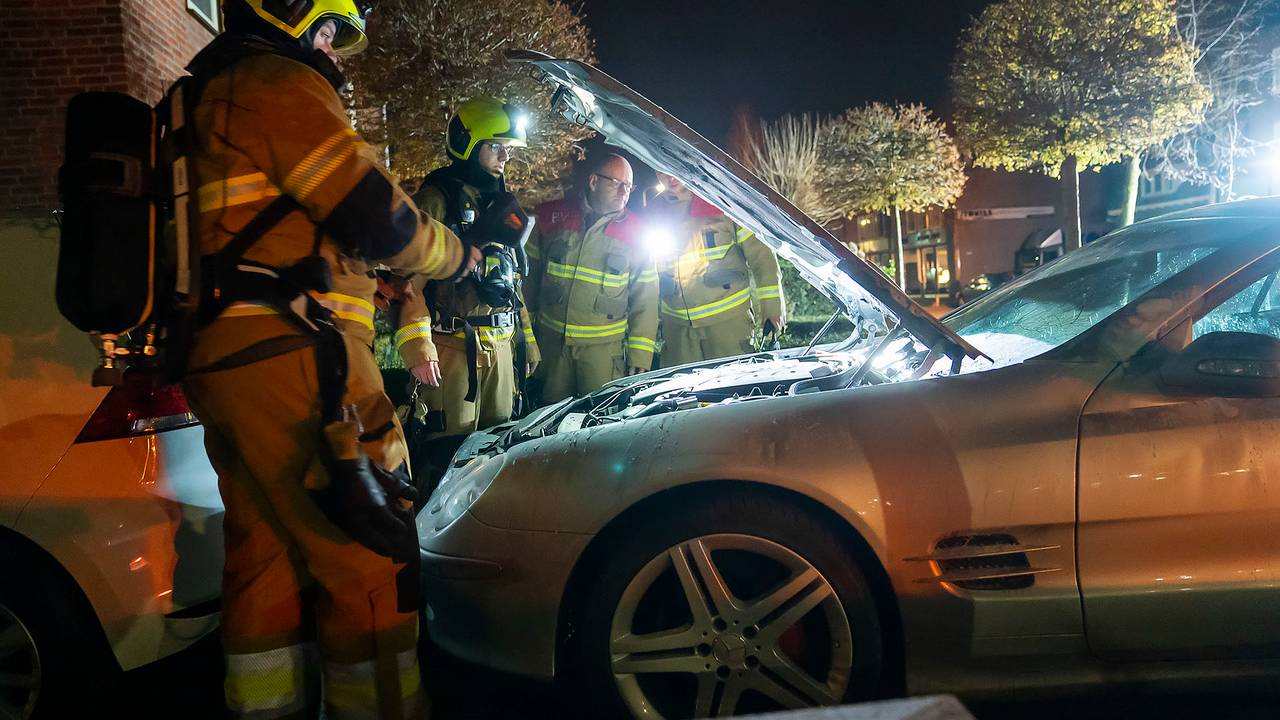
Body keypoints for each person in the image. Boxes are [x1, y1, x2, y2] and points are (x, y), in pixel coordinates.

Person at [178, 2, 479, 717]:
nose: (334, 54)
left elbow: (267, 236)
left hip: (230, 356)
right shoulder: (276, 82)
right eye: (325, 32)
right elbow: (378, 215)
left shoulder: (208, 95)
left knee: (267, 558)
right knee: (369, 555)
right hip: (298, 358)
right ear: (285, 12)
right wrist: (459, 254)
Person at [393, 96, 539, 463]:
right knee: (447, 453)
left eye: (507, 149)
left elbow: (512, 280)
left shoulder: (503, 202)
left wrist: (528, 340)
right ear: (469, 145)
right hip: (451, 353)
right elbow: (408, 283)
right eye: (496, 148)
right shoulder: (436, 200)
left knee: (496, 454)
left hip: (502, 348)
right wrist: (417, 349)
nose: (505, 158)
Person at [525, 153, 659, 403]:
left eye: (628, 186)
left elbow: (647, 299)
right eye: (616, 183)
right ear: (593, 181)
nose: (624, 192)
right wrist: (526, 336)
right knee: (546, 421)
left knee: (599, 422)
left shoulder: (638, 232)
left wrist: (641, 356)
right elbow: (528, 279)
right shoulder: (552, 217)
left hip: (603, 353)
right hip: (551, 348)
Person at [647, 171, 784, 367]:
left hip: (728, 327)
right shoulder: (654, 210)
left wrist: (772, 308)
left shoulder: (722, 201)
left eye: (672, 170)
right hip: (678, 332)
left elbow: (762, 258)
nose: (670, 178)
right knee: (682, 393)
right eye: (661, 171)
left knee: (734, 391)